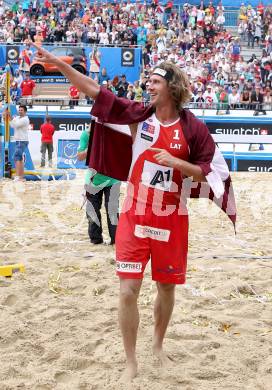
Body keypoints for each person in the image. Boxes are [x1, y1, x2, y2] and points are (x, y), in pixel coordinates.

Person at [32, 43, 236, 382]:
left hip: (172, 218)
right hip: (134, 215)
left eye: (154, 82)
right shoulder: (137, 114)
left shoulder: (192, 128)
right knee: (128, 290)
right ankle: (131, 362)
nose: (148, 86)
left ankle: (157, 345)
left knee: (166, 289)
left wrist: (179, 164)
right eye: (149, 82)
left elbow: (210, 172)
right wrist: (58, 64)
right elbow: (95, 91)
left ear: (172, 86)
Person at [77, 124, 120, 245]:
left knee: (112, 210)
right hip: (93, 179)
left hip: (113, 178)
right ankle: (96, 239)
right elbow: (80, 157)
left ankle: (116, 240)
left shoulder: (114, 132)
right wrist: (92, 144)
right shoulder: (86, 134)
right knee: (92, 210)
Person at [2, 105, 30, 181]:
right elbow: (11, 125)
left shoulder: (25, 119)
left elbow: (15, 125)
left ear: (25, 111)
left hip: (22, 140)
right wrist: (7, 117)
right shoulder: (17, 118)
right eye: (19, 110)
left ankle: (18, 176)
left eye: (21, 110)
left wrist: (8, 116)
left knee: (17, 158)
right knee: (19, 159)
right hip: (19, 140)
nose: (20, 111)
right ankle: (21, 177)